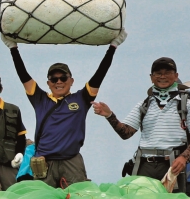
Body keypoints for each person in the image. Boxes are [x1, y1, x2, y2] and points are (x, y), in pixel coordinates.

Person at [10, 42, 117, 186]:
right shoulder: (40, 99)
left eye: (63, 78)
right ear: (48, 83)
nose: (58, 82)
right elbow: (23, 75)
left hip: (71, 160)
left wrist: (112, 48)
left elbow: (100, 74)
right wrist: (13, 49)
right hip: (44, 162)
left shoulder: (82, 98)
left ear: (71, 81)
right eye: (54, 79)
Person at [92, 57, 190, 193]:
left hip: (172, 164)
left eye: (167, 72)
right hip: (144, 164)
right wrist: (110, 116)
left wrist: (183, 158)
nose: (162, 76)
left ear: (176, 76)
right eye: (158, 73)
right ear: (151, 78)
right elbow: (126, 133)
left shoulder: (187, 104)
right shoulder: (144, 104)